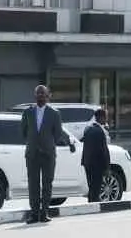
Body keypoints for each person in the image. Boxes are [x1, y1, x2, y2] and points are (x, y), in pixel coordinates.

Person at [20, 85, 71, 224]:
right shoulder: (28, 112)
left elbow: (58, 133)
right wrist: (34, 143)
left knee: (47, 184)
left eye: (43, 94)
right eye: (38, 94)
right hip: (32, 154)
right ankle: (34, 213)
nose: (40, 96)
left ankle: (44, 213)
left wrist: (47, 144)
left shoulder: (54, 113)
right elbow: (24, 132)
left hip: (48, 154)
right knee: (33, 184)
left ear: (48, 96)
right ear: (34, 96)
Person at [82, 107, 111, 202]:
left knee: (91, 187)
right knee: (96, 188)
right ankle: (94, 206)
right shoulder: (99, 131)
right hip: (97, 165)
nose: (107, 119)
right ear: (101, 118)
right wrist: (107, 167)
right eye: (106, 117)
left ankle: (91, 204)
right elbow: (104, 151)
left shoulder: (88, 129)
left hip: (87, 163)